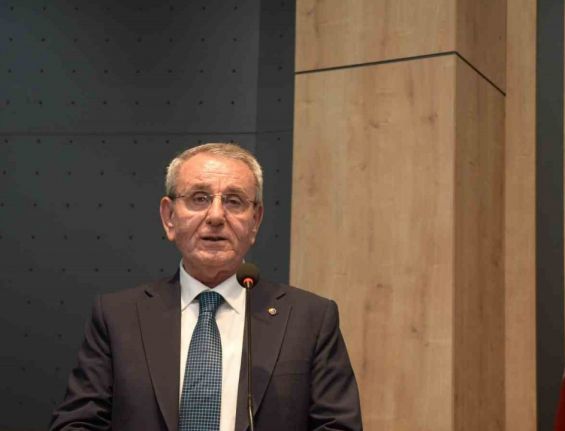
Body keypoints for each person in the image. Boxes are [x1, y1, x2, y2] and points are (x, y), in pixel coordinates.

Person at [50, 143, 362, 431]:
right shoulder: (118, 316)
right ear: (169, 217)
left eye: (234, 201)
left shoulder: (310, 319)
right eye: (199, 198)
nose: (215, 216)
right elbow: (77, 424)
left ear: (255, 220)